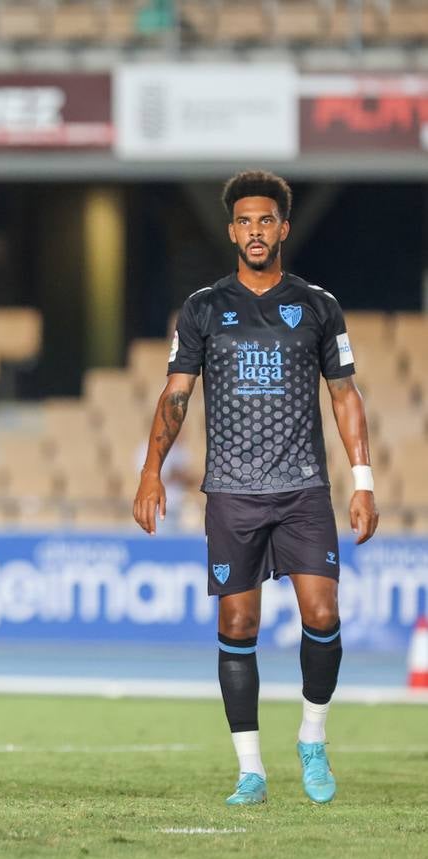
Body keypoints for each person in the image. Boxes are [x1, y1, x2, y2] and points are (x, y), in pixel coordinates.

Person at [133, 170, 378, 806]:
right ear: (232, 231)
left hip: (302, 490)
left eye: (266, 220)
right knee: (238, 623)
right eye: (244, 221)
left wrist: (363, 481)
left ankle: (313, 739)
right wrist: (150, 470)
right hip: (233, 494)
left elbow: (345, 398)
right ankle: (251, 770)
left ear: (283, 228)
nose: (255, 231)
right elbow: (176, 394)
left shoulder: (319, 306)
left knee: (322, 613)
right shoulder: (204, 308)